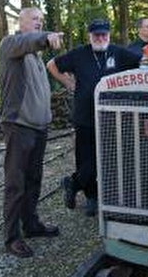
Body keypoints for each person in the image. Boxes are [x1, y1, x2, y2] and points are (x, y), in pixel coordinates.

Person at [47, 19, 141, 216]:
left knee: (106, 156)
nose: (101, 38)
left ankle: (73, 182)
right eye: (96, 35)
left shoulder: (118, 52)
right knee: (86, 157)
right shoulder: (79, 53)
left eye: (104, 34)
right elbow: (52, 65)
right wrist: (67, 82)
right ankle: (91, 197)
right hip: (85, 114)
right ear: (90, 36)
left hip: (111, 116)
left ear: (109, 34)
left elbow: (142, 62)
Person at [0, 7, 63, 258]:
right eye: (35, 19)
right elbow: (27, 41)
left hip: (38, 128)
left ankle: (31, 225)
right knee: (16, 183)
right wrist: (46, 37)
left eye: (42, 21)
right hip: (19, 126)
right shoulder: (11, 45)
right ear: (21, 22)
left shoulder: (34, 56)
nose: (39, 23)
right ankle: (12, 238)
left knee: (34, 179)